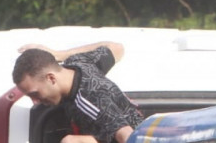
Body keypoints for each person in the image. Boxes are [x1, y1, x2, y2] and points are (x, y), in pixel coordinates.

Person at [12, 41, 144, 143]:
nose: (35, 101)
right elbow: (116, 48)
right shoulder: (78, 62)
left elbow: (128, 136)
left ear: (51, 78)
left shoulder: (91, 100)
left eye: (35, 94)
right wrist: (58, 55)